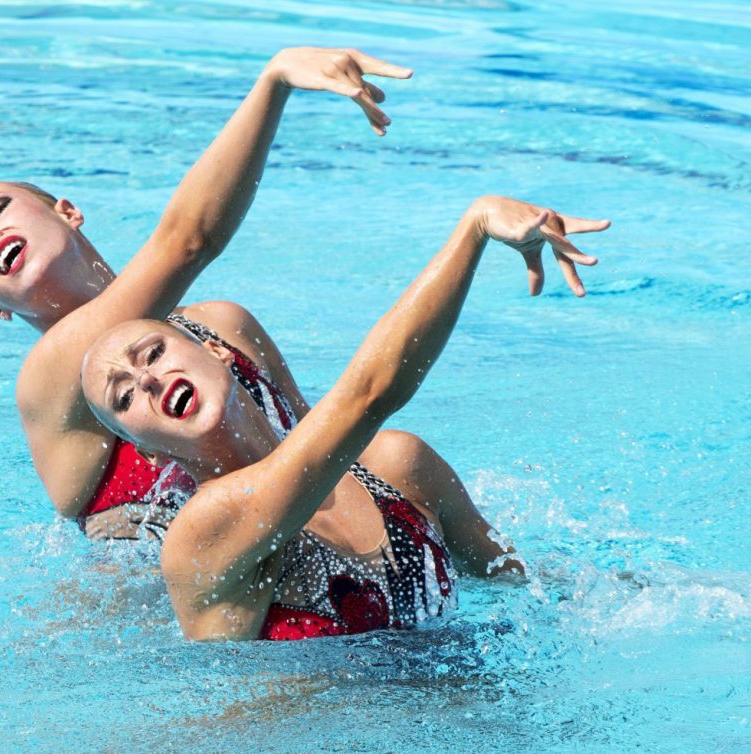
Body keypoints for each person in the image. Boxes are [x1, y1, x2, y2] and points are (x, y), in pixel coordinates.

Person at [81, 195, 610, 641]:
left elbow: (518, 582)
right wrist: (474, 230)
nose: (146, 380)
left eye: (153, 354)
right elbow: (370, 392)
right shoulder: (201, 536)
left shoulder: (396, 466)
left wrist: (627, 590)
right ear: (147, 451)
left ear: (219, 354)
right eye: (124, 398)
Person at [0, 47, 412, 539]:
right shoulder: (52, 380)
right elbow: (188, 243)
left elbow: (331, 449)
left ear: (68, 211)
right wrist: (274, 84)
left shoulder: (223, 326)